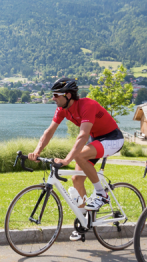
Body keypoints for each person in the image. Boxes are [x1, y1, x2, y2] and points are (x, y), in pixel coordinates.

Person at [28, 77, 125, 240]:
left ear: (68, 95)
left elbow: (82, 136)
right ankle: (85, 221)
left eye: (56, 95)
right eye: (53, 94)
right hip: (96, 140)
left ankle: (102, 194)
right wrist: (37, 151)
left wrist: (66, 160)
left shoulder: (87, 105)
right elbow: (49, 131)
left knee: (79, 154)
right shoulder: (62, 109)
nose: (53, 98)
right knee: (76, 180)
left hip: (112, 138)